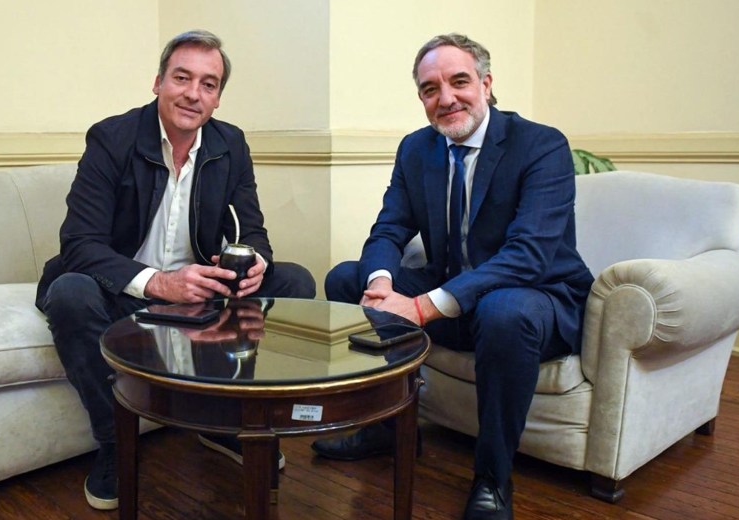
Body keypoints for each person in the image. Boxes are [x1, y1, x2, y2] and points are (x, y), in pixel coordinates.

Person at [310, 33, 593, 520]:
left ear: (485, 83)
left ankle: (493, 477)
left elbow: (526, 256)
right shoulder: (417, 149)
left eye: (459, 81)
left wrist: (420, 306)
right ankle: (388, 427)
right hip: (458, 294)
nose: (445, 99)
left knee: (505, 309)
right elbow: (390, 227)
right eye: (429, 89)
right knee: (345, 278)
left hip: (536, 299)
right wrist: (381, 282)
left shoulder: (541, 145)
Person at [36, 29, 316, 511]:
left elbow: (255, 232)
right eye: (182, 78)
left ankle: (226, 420)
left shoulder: (231, 144)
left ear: (218, 97)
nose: (193, 93)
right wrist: (160, 283)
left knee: (295, 281)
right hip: (122, 288)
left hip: (198, 291)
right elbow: (79, 244)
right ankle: (113, 444)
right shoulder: (111, 137)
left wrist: (255, 263)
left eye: (209, 84)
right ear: (158, 83)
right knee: (69, 292)